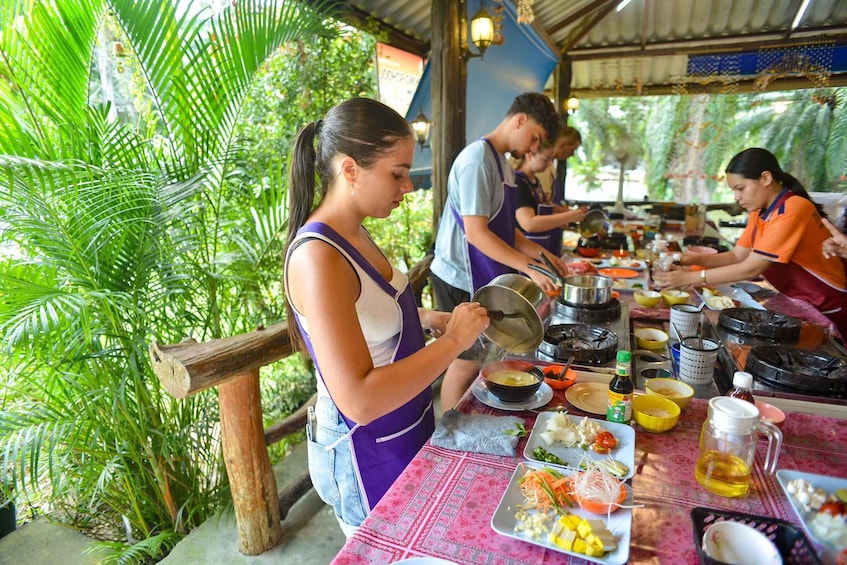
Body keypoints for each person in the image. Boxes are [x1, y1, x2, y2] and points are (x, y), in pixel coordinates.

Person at [283, 98, 490, 536]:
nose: (408, 187)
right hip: (364, 440)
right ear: (350, 168)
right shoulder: (318, 257)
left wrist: (428, 317)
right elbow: (358, 397)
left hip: (401, 421)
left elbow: (364, 313)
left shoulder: (354, 230)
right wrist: (452, 342)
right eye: (397, 173)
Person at [429, 91, 566, 411]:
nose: (535, 147)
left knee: (478, 359)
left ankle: (466, 417)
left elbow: (508, 231)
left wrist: (543, 259)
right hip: (458, 273)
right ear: (520, 120)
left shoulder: (502, 165)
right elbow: (476, 233)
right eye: (536, 137)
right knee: (464, 360)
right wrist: (529, 268)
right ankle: (449, 429)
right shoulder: (477, 159)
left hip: (480, 273)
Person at [653, 147, 847, 340]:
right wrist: (688, 260)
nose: (737, 197)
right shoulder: (761, 211)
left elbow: (751, 269)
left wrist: (686, 279)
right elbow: (737, 256)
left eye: (740, 188)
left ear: (765, 178)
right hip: (799, 298)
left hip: (826, 301)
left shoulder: (793, 208)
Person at [514, 137, 589, 256]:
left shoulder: (535, 181)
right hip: (525, 252)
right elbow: (529, 224)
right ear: (529, 156)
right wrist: (569, 216)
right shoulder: (519, 182)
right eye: (546, 159)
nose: (549, 164)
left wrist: (570, 218)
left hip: (542, 247)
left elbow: (545, 208)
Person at [535, 126, 582, 205]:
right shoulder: (542, 167)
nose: (572, 154)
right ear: (563, 145)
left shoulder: (552, 166)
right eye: (572, 150)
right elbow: (543, 203)